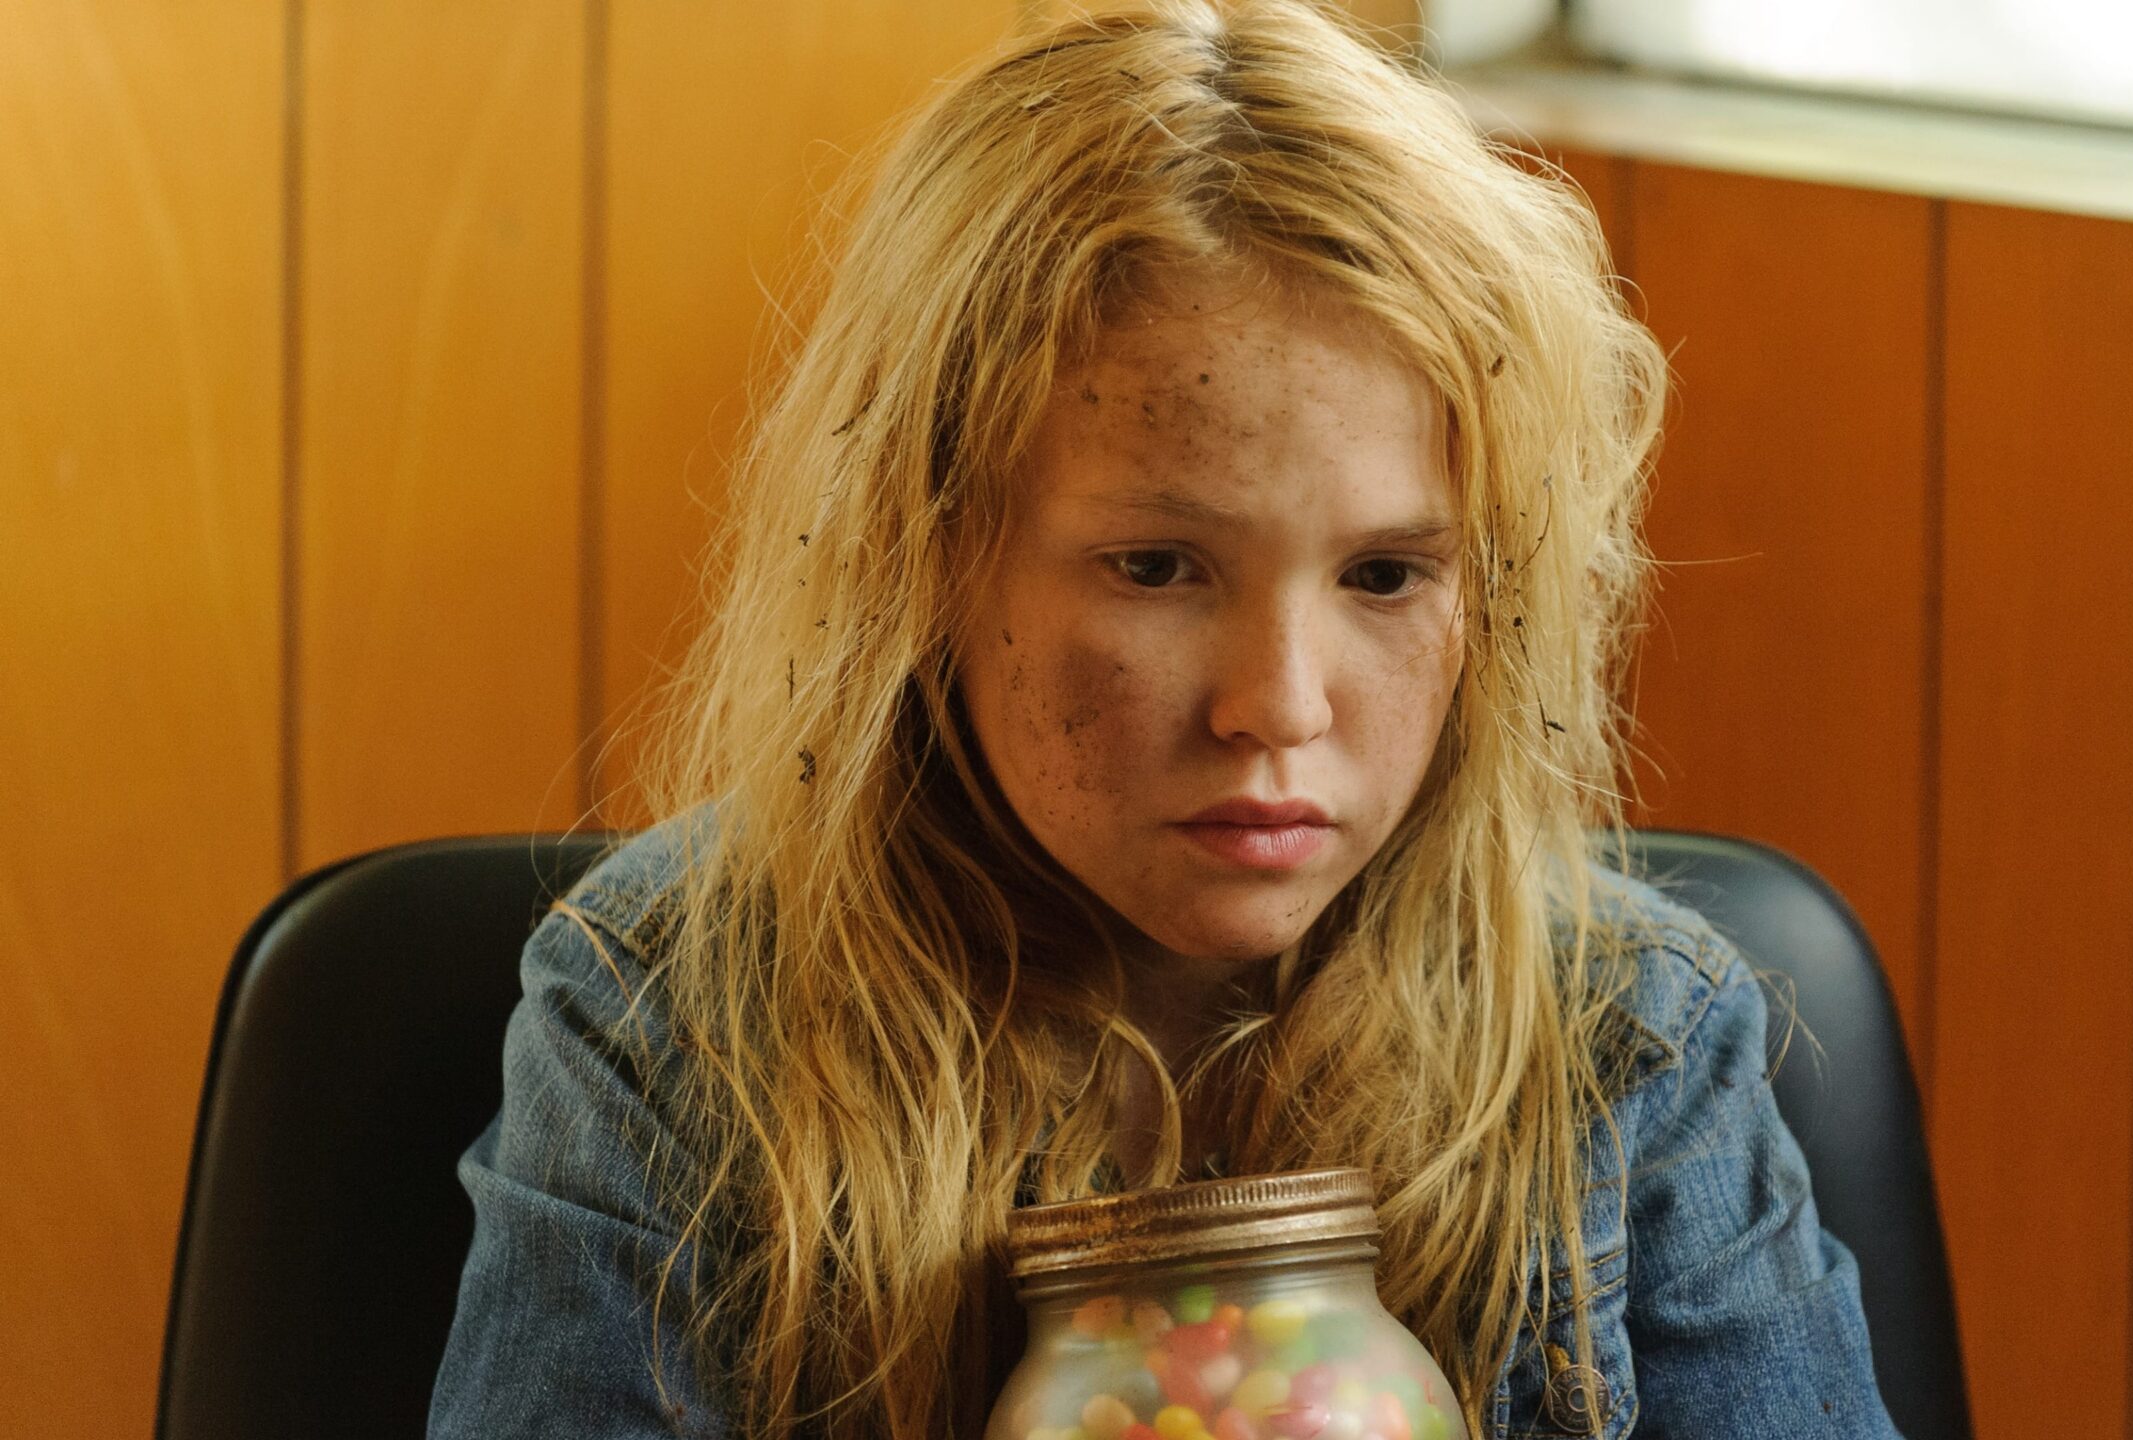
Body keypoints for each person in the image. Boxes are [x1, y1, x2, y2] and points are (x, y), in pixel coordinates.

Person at [427, 3, 1899, 1437]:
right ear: (924, 551)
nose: (1280, 705)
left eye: (1387, 575)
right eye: (1155, 568)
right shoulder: (672, 1019)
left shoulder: (1633, 1044)